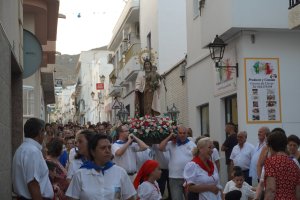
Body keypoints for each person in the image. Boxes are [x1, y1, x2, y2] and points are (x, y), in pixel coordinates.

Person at [66, 134, 136, 199]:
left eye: (109, 147)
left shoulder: (120, 172)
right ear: (93, 152)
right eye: (103, 148)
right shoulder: (80, 174)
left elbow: (130, 197)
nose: (107, 151)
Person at [12, 118, 54, 199]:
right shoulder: (33, 151)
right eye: (44, 132)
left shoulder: (22, 148)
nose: (45, 135)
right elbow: (33, 183)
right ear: (40, 132)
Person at [159, 125, 196, 200]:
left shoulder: (192, 144)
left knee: (190, 198)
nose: (182, 135)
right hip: (174, 177)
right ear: (177, 133)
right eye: (180, 133)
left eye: (184, 133)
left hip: (188, 178)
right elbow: (161, 147)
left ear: (187, 134)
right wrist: (170, 136)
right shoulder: (171, 143)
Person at [264, 130, 300, 200]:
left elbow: (271, 189)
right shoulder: (294, 163)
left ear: (271, 146)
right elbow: (298, 192)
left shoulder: (271, 162)